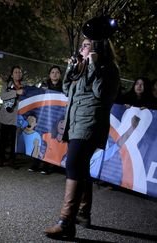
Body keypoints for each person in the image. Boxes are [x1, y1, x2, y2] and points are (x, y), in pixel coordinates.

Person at [44, 37, 120, 238]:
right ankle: (83, 213)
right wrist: (71, 69)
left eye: (85, 45)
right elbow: (67, 90)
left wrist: (93, 64)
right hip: (75, 122)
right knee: (81, 165)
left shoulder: (108, 68)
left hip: (91, 123)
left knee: (74, 163)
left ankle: (66, 221)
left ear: (97, 49)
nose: (81, 48)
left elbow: (100, 93)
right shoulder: (82, 66)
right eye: (82, 45)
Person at [0, 66, 25, 168]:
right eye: (15, 72)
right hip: (6, 115)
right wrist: (16, 92)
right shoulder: (6, 84)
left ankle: (12, 160)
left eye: (19, 72)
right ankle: (1, 158)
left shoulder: (24, 86)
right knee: (3, 139)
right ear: (12, 74)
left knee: (14, 140)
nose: (17, 74)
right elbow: (2, 96)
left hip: (17, 117)